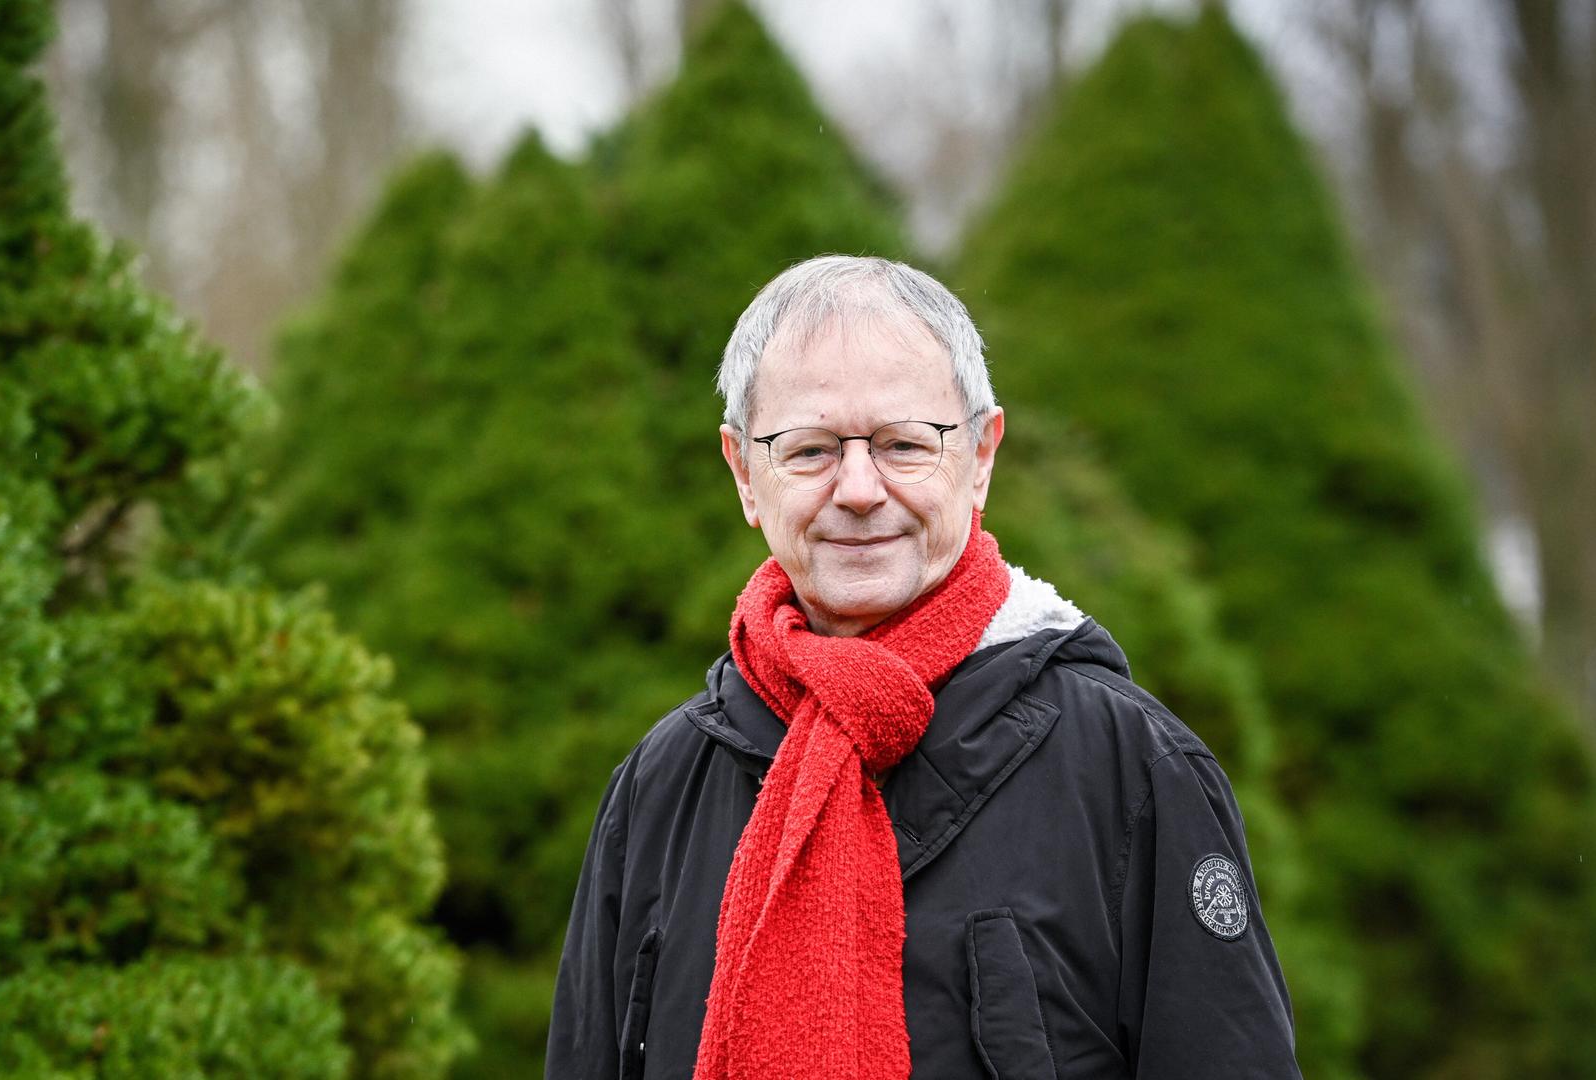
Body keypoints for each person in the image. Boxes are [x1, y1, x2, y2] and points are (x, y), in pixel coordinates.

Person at [544, 255, 1300, 1080]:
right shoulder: (660, 788)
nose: (860, 489)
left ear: (980, 457)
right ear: (743, 474)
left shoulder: (1132, 773)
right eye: (810, 451)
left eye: (906, 444)